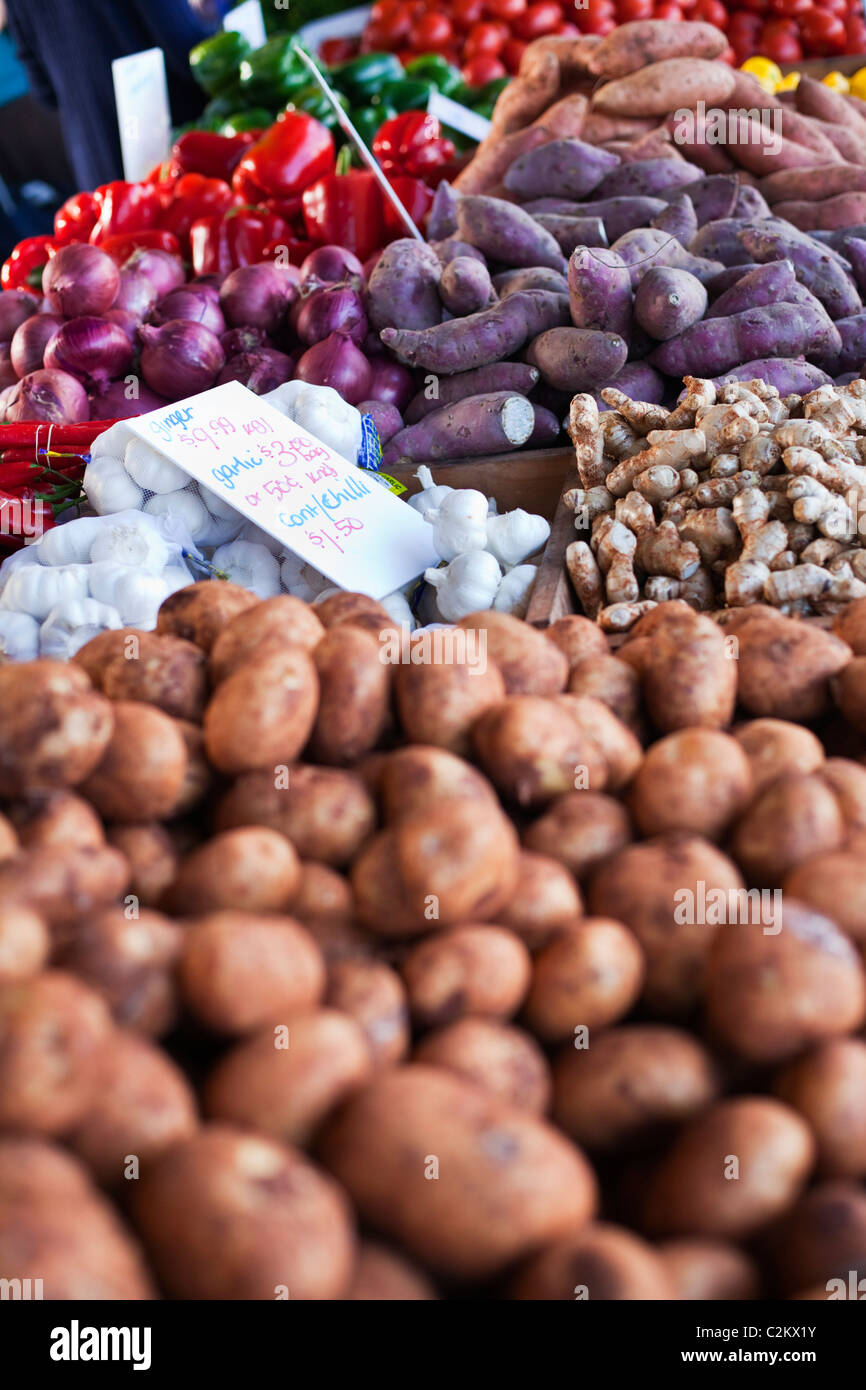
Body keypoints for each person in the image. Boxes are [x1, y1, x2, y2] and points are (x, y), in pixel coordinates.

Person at [4, 0, 230, 190]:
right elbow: (185, 50)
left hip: (98, 168)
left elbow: (44, 90)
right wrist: (218, 8)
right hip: (177, 155)